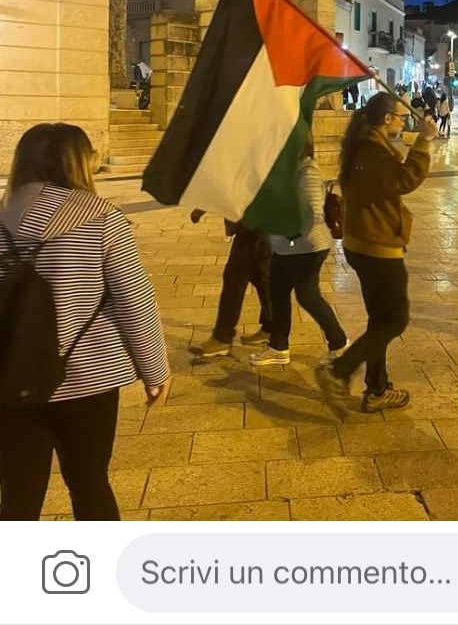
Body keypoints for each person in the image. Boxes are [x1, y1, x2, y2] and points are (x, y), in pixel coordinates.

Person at [0, 123, 169, 521]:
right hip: (86, 377)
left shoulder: (3, 216)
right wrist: (155, 370)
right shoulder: (102, 218)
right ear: (79, 163)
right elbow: (134, 301)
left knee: (19, 491)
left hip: (8, 375)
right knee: (90, 483)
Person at [315, 92, 437, 417]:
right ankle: (340, 370)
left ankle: (377, 389)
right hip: (378, 246)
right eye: (399, 116)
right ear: (386, 119)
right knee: (395, 319)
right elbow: (403, 179)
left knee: (379, 320)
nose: (402, 120)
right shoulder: (373, 151)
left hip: (363, 243)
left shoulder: (362, 146)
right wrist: (424, 142)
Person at [250, 138, 348, 366]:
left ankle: (339, 343)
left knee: (308, 296)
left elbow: (312, 213)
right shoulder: (290, 169)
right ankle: (278, 346)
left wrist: (289, 234)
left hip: (305, 248)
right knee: (278, 292)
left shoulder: (307, 171)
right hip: (288, 247)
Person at [193, 215, 272, 359]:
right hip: (260, 226)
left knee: (234, 280)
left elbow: (232, 193)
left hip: (253, 226)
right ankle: (271, 326)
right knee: (261, 277)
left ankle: (222, 337)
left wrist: (202, 207)